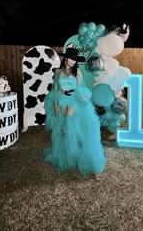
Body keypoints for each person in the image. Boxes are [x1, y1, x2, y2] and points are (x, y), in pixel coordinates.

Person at [43, 47, 106, 177]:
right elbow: (54, 88)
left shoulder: (77, 72)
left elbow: (80, 88)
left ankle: (75, 154)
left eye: (75, 60)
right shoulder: (58, 72)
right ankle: (65, 154)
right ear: (66, 58)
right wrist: (55, 104)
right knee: (62, 129)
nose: (73, 61)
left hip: (72, 101)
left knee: (69, 125)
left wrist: (83, 100)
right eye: (72, 58)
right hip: (60, 100)